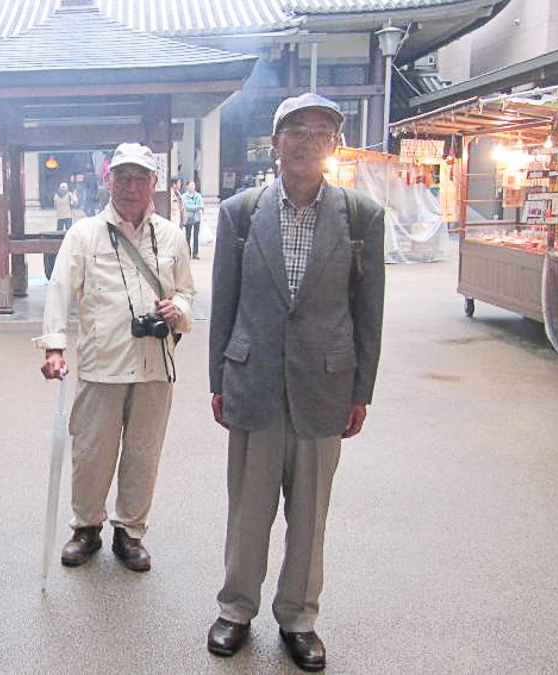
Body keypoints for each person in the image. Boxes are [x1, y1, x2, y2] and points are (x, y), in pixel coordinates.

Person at [206, 93, 385, 672]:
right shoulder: (239, 213)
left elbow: (369, 312)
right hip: (253, 377)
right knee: (248, 508)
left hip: (325, 383)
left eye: (321, 132)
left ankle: (299, 617)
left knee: (310, 514)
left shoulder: (361, 216)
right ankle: (236, 608)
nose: (308, 142)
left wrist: (361, 390)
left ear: (333, 145)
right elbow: (225, 304)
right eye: (296, 131)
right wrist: (217, 379)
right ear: (275, 143)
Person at [35, 142, 195, 573]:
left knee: (144, 452)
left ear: (154, 183)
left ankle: (130, 531)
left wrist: (177, 309)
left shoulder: (172, 236)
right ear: (108, 181)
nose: (131, 186)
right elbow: (59, 290)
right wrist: (54, 347)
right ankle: (86, 527)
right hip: (102, 362)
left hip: (154, 363)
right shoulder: (84, 234)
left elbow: (186, 292)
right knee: (91, 451)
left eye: (141, 178)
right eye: (122, 177)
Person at [181, 180, 204, 259]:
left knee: (196, 236)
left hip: (197, 218)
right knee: (188, 236)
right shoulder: (184, 196)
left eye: (193, 185)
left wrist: (196, 206)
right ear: (187, 186)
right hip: (188, 218)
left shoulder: (198, 195)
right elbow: (187, 207)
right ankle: (188, 253)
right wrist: (197, 207)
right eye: (190, 185)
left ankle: (195, 253)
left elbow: (201, 204)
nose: (192, 187)